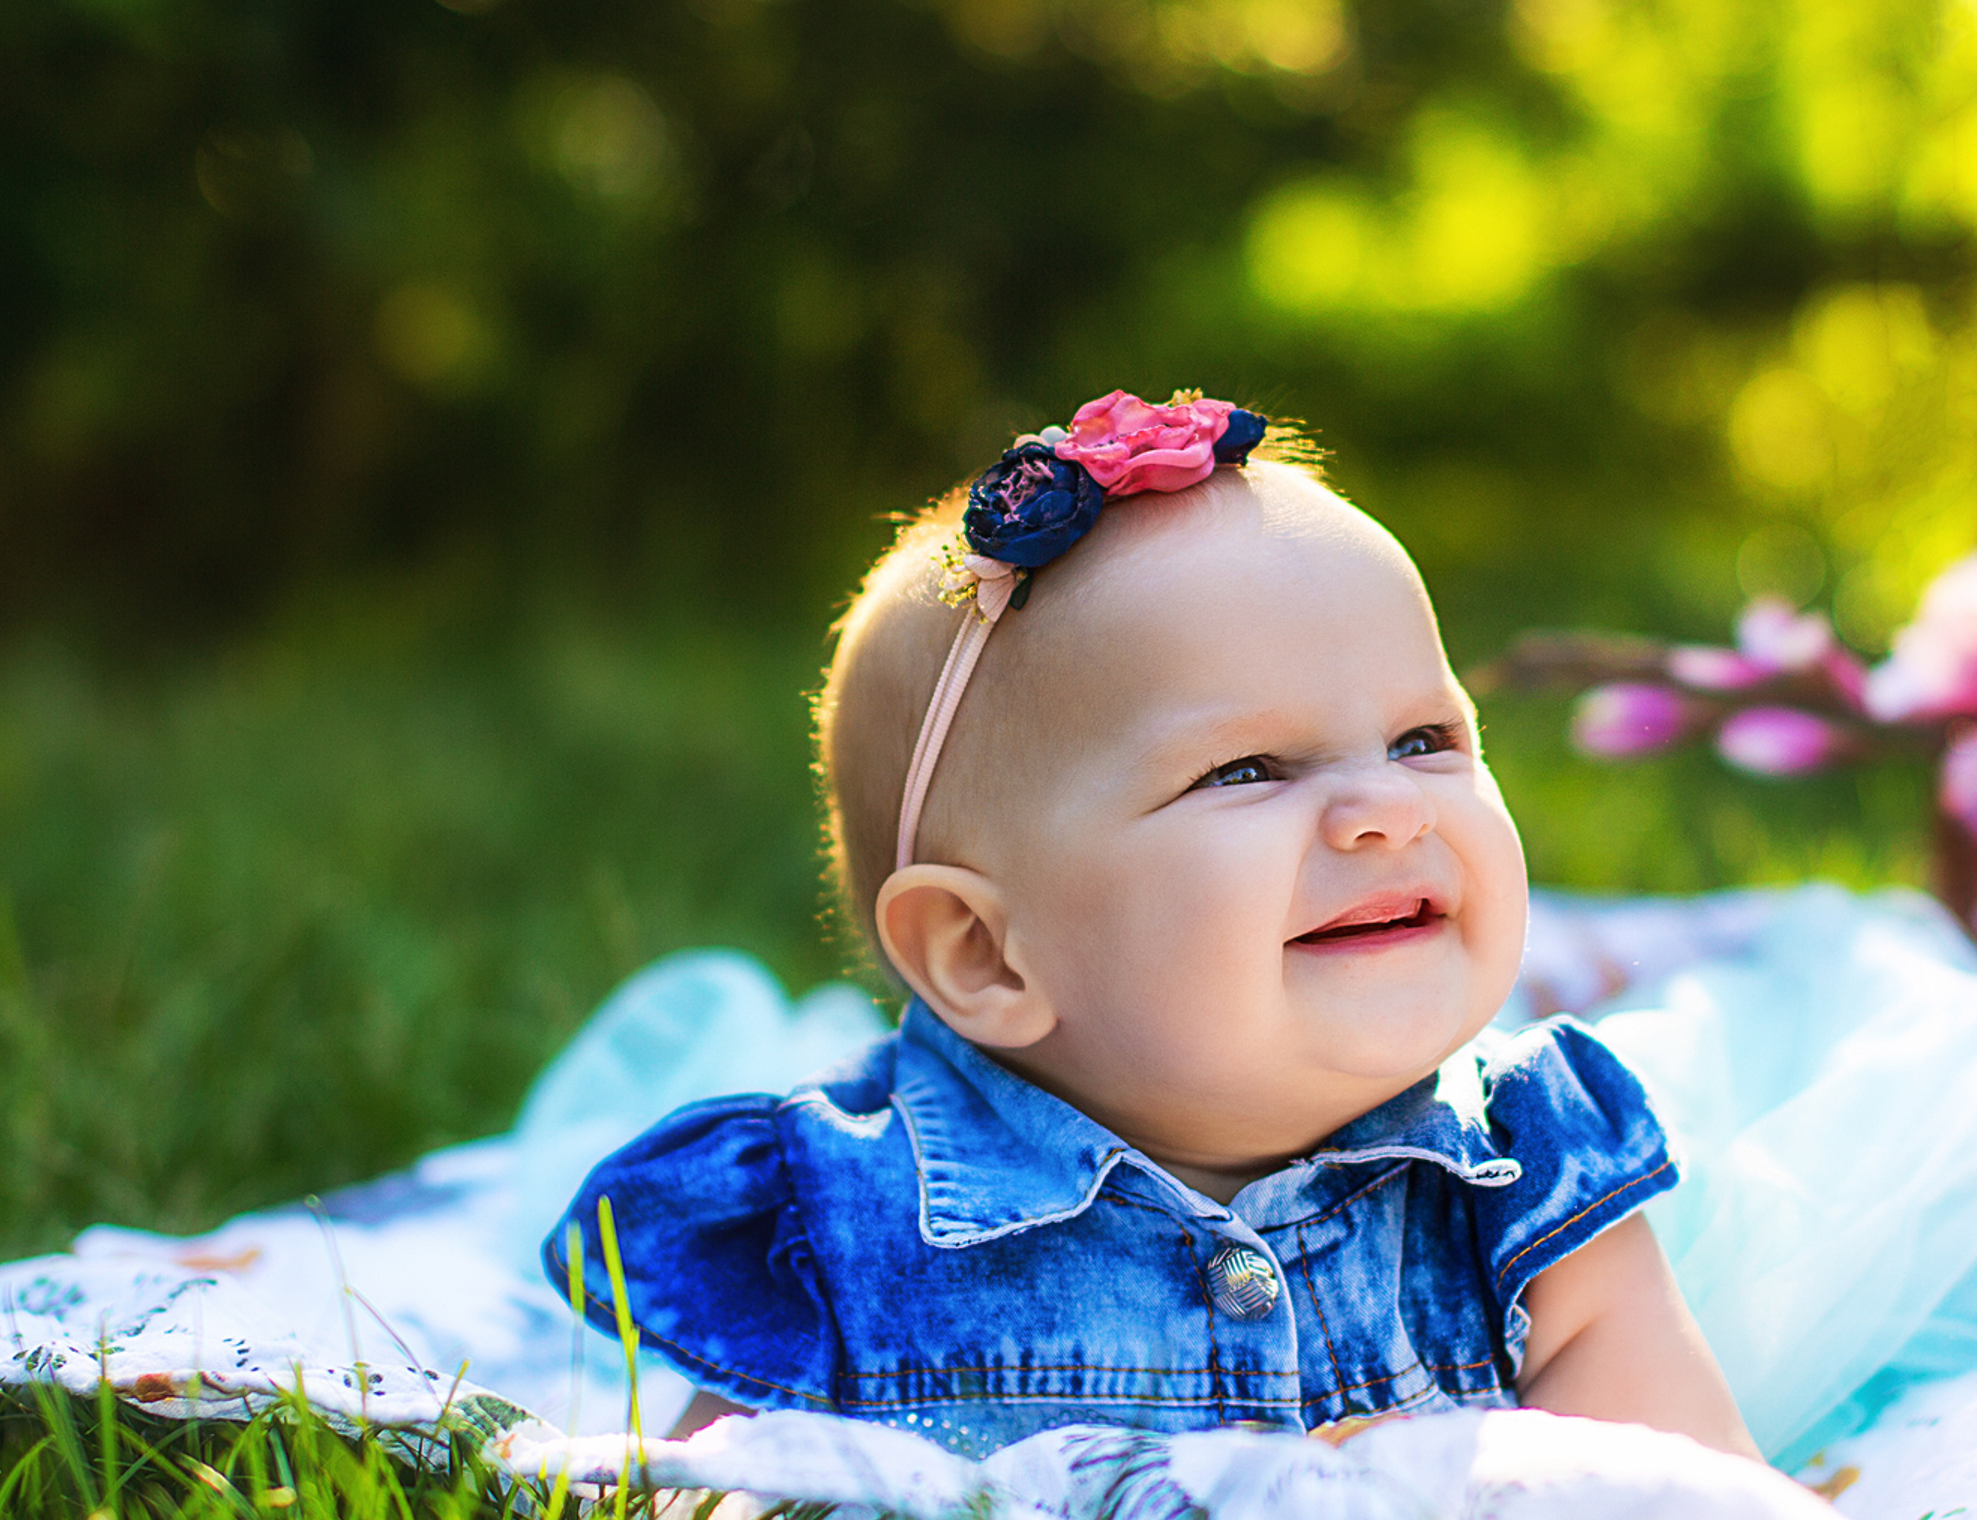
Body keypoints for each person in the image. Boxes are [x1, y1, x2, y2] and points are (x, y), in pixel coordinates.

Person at [544, 394, 1758, 1462]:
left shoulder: (1527, 1180)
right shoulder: (844, 1233)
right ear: (984, 954)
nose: (1386, 809)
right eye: (1244, 768)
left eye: (1424, 740)